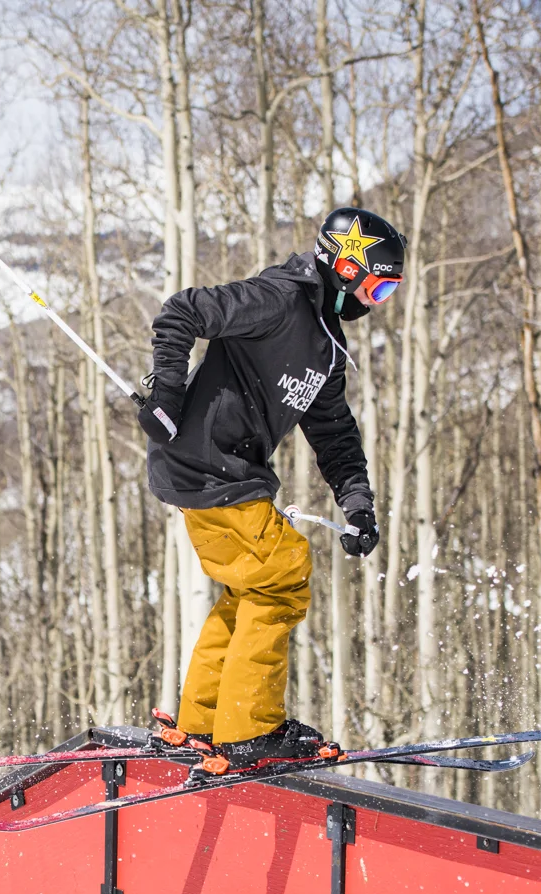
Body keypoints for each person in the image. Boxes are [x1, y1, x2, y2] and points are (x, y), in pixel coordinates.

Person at [136, 207, 403, 770]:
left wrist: (358, 504)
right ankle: (250, 731)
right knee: (283, 576)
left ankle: (204, 722)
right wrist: (167, 393)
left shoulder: (326, 346)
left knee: (251, 590)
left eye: (389, 291)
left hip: (221, 472)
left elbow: (334, 432)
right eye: (379, 286)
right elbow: (183, 310)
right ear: (346, 266)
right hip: (210, 465)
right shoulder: (280, 299)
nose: (378, 301)